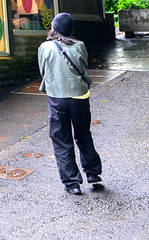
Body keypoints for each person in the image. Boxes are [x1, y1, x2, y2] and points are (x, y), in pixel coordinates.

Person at [38, 13, 103, 195]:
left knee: (61, 139)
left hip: (57, 97)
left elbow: (43, 71)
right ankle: (92, 173)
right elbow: (83, 67)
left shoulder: (45, 47)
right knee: (83, 134)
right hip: (79, 96)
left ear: (54, 28)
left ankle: (72, 182)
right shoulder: (80, 45)